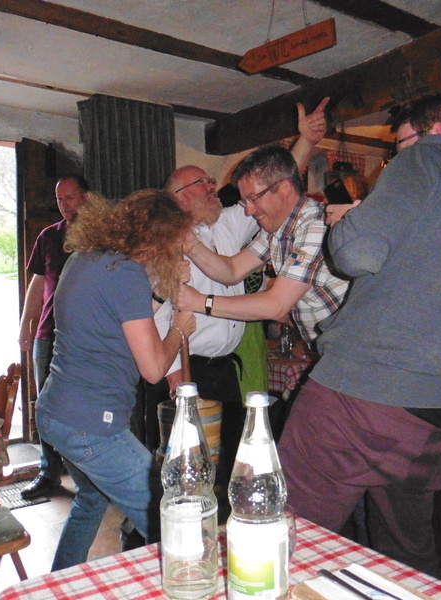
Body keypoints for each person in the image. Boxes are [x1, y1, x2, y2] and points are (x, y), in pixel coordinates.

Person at [277, 91, 441, 575]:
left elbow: (355, 254)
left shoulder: (426, 159)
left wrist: (351, 222)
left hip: (361, 394)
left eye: (402, 144)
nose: (396, 156)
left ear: (436, 131)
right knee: (406, 556)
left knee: (286, 538)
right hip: (438, 411)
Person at [148, 99, 330, 493]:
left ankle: (227, 520)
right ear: (178, 197)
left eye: (211, 181)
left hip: (225, 370)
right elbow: (155, 321)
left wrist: (306, 142)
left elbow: (276, 191)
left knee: (228, 461)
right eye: (203, 183)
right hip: (188, 371)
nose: (214, 187)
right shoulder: (162, 246)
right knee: (187, 470)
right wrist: (177, 385)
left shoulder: (229, 224)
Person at [36, 189, 196, 571]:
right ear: (157, 241)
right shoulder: (126, 274)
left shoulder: (87, 258)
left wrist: (161, 293)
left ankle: (59, 587)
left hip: (55, 412)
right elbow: (153, 369)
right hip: (91, 427)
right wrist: (179, 328)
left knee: (91, 501)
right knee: (169, 517)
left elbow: (120, 319)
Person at [175, 144, 349, 346]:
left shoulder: (315, 225)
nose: (249, 211)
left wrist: (200, 301)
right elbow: (232, 270)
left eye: (253, 199)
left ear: (285, 188)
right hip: (338, 346)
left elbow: (276, 305)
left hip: (358, 346)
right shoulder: (275, 230)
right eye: (245, 201)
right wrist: (191, 244)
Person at [18, 175, 101, 501]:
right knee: (47, 407)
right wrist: (26, 324)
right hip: (48, 335)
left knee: (84, 407)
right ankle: (49, 472)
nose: (64, 205)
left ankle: (92, 474)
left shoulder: (100, 238)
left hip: (88, 338)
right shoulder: (48, 236)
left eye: (70, 198)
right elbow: (38, 283)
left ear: (86, 198)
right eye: (59, 199)